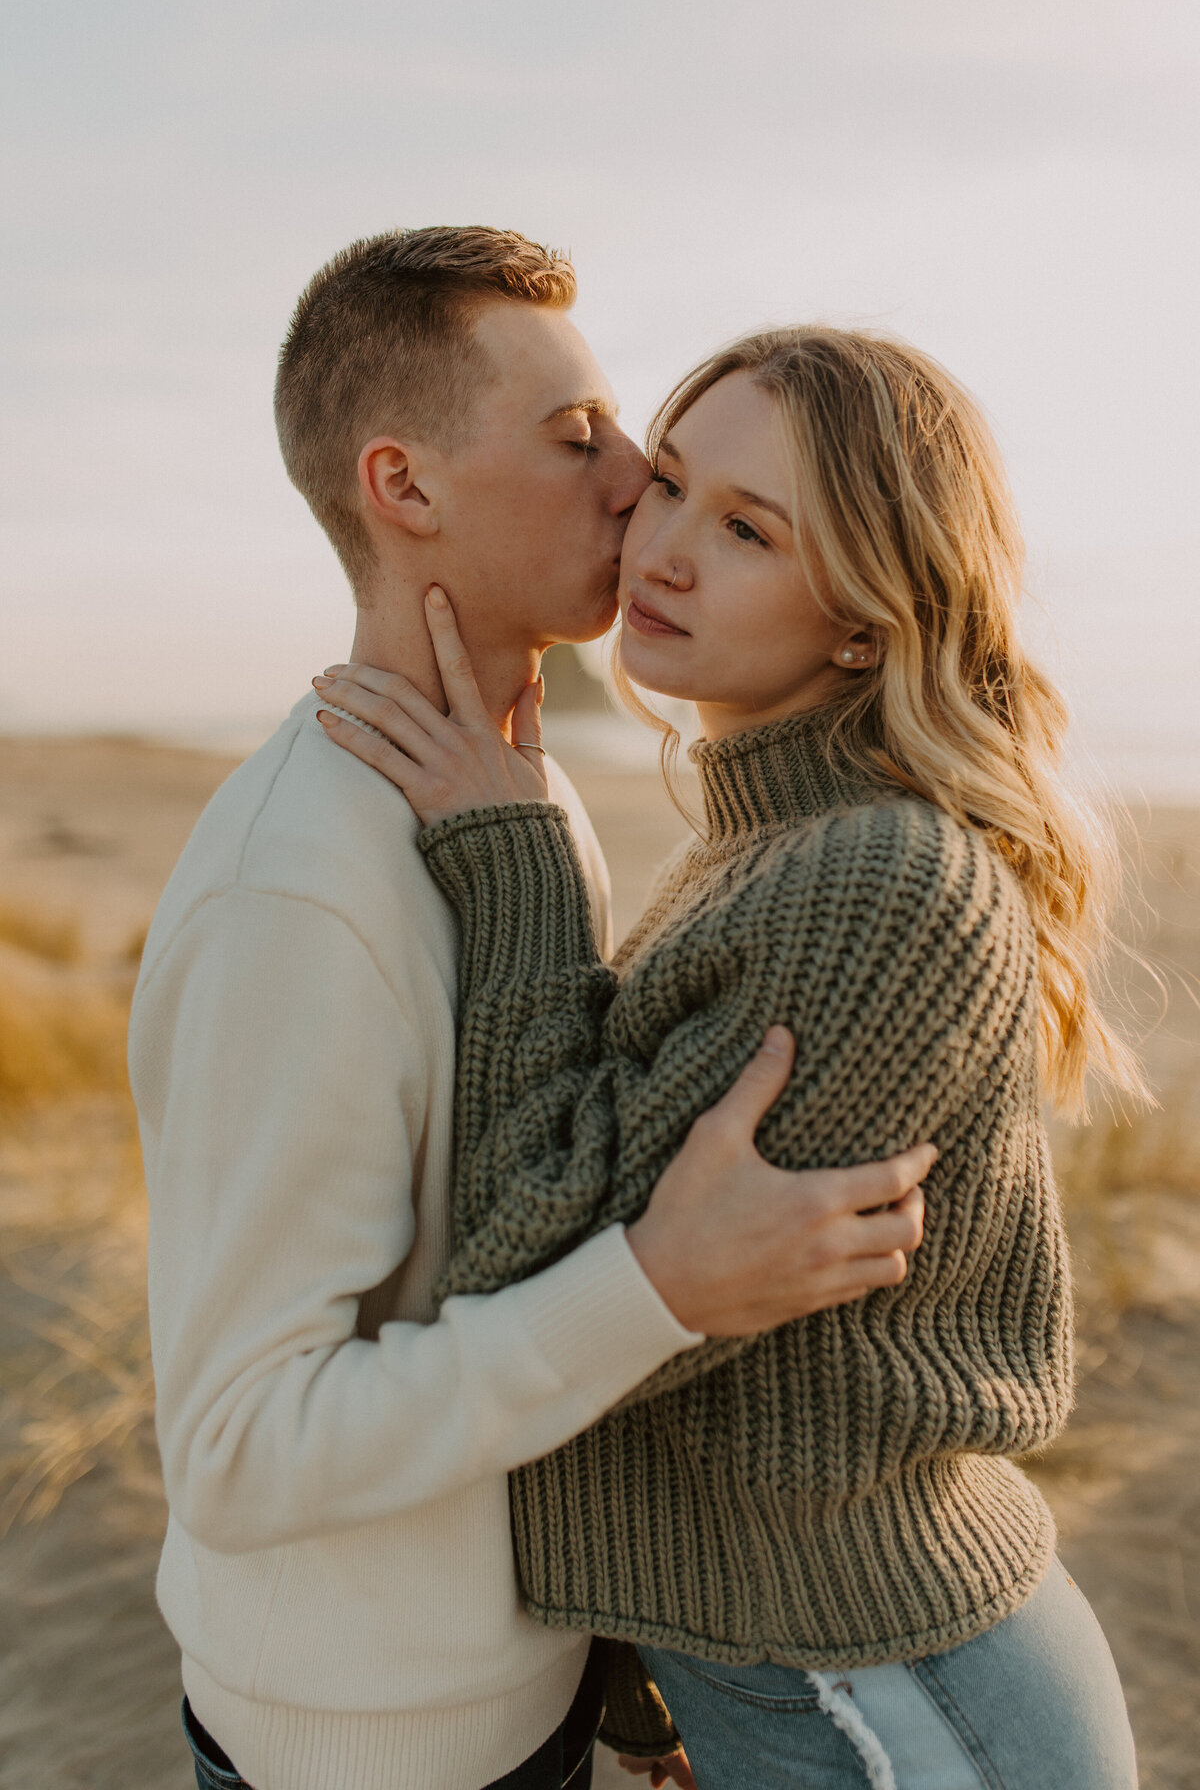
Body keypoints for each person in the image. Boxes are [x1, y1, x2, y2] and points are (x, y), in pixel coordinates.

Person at [129, 230, 934, 1790]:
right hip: (370, 1752)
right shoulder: (294, 887)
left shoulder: (525, 800)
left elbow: (525, 1199)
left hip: (527, 1691)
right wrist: (662, 1284)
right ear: (404, 486)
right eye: (578, 438)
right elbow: (239, 1448)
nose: (636, 476)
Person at [312, 324, 1144, 1789]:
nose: (665, 551)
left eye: (748, 530)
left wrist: (511, 873)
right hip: (817, 1669)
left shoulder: (876, 884)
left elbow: (530, 1264)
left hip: (884, 1697)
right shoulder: (771, 843)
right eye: (675, 483)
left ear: (868, 625)